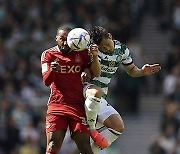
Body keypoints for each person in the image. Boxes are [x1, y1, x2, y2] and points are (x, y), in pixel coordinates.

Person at [82, 26, 161, 153]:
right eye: (103, 48)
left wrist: (142, 71)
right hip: (87, 90)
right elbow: (96, 73)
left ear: (110, 36)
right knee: (96, 93)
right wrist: (96, 56)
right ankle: (91, 130)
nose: (107, 49)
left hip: (101, 96)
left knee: (118, 127)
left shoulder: (122, 50)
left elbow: (131, 70)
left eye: (107, 45)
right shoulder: (94, 51)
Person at [40, 26, 101, 154]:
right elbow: (46, 81)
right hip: (57, 104)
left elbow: (95, 72)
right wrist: (53, 70)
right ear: (56, 38)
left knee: (84, 146)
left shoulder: (82, 53)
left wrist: (87, 70)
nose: (65, 42)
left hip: (77, 105)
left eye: (68, 39)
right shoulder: (48, 54)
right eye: (62, 39)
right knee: (52, 145)